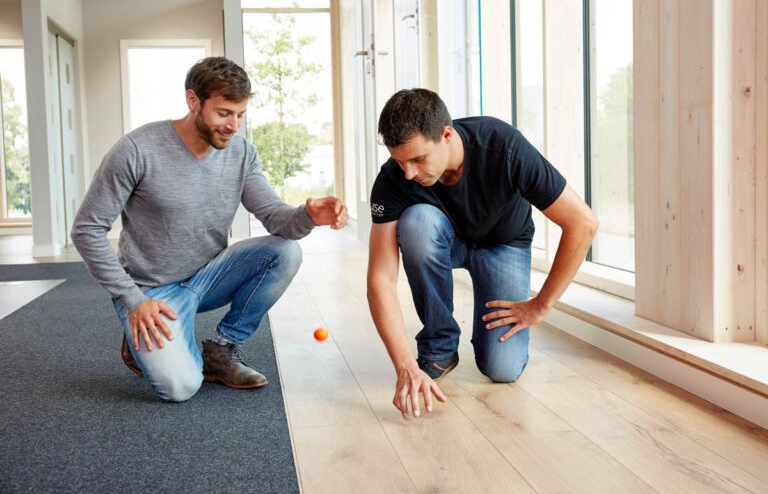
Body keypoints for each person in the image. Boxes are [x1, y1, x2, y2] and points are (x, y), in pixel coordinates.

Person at [71, 56, 348, 402]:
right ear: (193, 101)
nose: (233, 126)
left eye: (240, 115)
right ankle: (139, 334)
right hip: (151, 291)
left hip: (209, 278)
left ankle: (221, 348)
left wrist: (308, 215)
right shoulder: (137, 150)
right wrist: (133, 300)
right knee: (180, 387)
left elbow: (274, 217)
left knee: (286, 251)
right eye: (224, 113)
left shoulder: (242, 153)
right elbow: (87, 230)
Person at [367, 88, 597, 419]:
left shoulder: (502, 146)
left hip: (503, 244)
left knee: (503, 368)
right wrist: (405, 366)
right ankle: (440, 346)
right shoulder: (393, 179)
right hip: (446, 240)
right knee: (417, 222)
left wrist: (540, 305)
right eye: (400, 161)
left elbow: (583, 223)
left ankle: (486, 344)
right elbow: (380, 278)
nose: (409, 173)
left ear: (446, 135)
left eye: (417, 159)